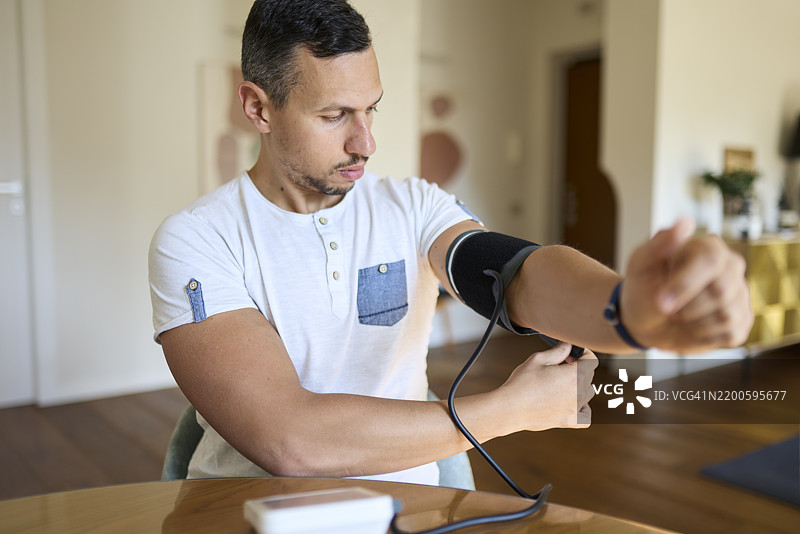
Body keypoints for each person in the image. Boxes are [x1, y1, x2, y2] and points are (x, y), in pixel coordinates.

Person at [148, 0, 752, 487]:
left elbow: (512, 274)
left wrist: (628, 310)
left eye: (371, 110)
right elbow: (292, 441)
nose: (366, 143)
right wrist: (510, 412)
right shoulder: (197, 240)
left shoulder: (411, 205)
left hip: (407, 506)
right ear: (258, 107)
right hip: (244, 513)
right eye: (335, 115)